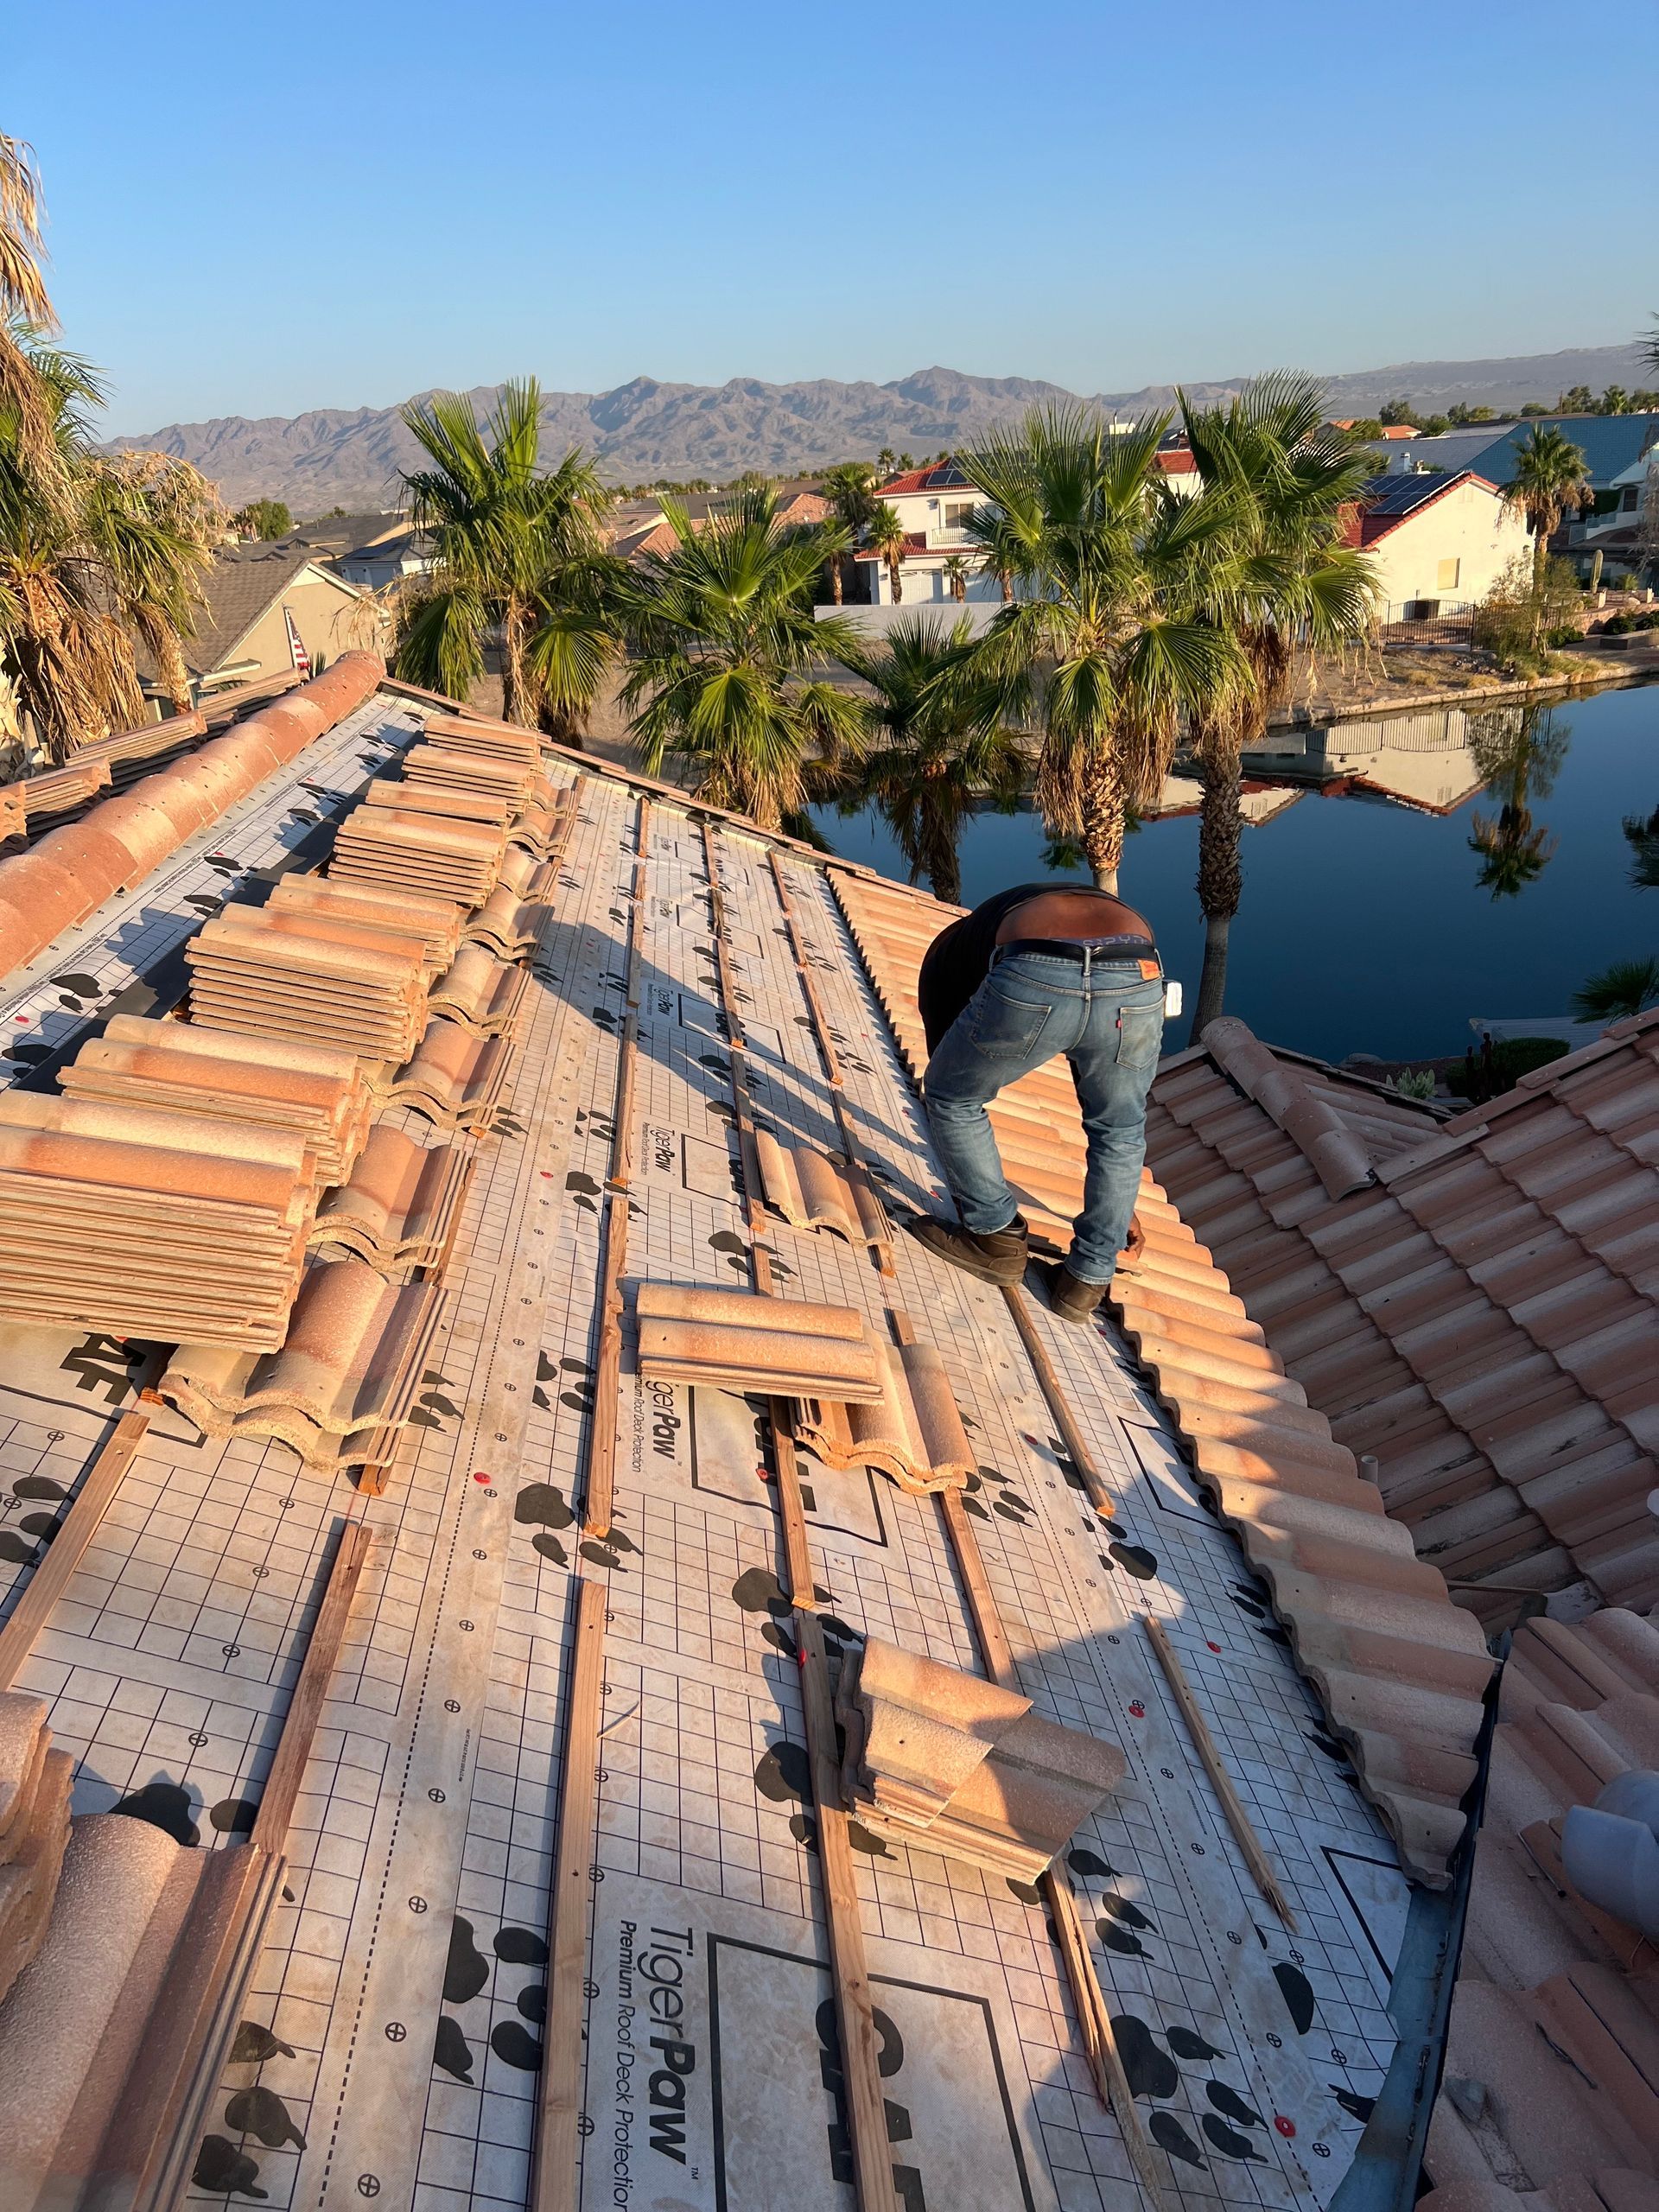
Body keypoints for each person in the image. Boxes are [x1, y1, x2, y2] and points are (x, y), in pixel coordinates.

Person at [908, 881, 1165, 1321]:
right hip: (1135, 971)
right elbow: (1095, 1051)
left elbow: (950, 1073)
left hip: (1037, 967)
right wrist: (1117, 1209)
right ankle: (1088, 1278)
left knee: (952, 1097)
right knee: (1119, 1128)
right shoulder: (1038, 908)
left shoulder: (947, 959)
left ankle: (994, 1238)